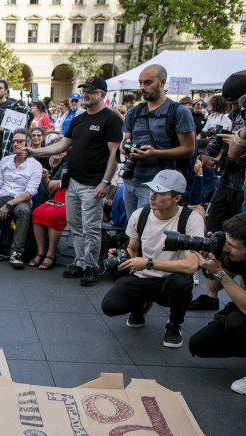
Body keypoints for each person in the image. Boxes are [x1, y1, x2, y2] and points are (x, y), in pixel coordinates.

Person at [26, 76, 122, 285]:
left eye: (91, 91)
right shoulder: (79, 119)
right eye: (84, 90)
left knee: (91, 228)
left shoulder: (110, 119)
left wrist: (105, 183)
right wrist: (36, 151)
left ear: (102, 95)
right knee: (76, 226)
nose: (86, 94)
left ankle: (91, 267)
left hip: (93, 183)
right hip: (73, 182)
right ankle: (80, 263)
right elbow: (62, 145)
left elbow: (114, 154)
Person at [101, 170, 203, 348]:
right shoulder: (140, 214)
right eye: (151, 190)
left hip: (169, 280)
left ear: (176, 198)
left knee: (182, 283)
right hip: (143, 276)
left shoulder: (190, 219)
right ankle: (139, 307)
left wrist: (148, 263)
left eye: (160, 193)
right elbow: (132, 248)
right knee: (110, 306)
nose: (152, 196)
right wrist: (122, 255)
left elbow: (191, 266)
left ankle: (174, 324)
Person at [188, 71, 246, 310]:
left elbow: (237, 149)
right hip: (228, 181)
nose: (234, 108)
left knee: (241, 242)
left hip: (242, 187)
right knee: (216, 238)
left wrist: (235, 141)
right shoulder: (234, 114)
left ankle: (240, 300)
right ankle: (211, 296)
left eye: (236, 103)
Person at [121, 64, 196, 218]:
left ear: (162, 82)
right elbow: (127, 138)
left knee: (151, 233)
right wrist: (125, 147)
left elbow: (188, 149)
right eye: (140, 82)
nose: (142, 87)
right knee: (133, 230)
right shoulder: (134, 112)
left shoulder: (178, 111)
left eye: (148, 82)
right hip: (130, 180)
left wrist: (155, 153)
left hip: (159, 185)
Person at [187, 213, 246, 394]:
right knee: (200, 345)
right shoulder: (238, 255)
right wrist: (214, 262)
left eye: (232, 246)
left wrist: (220, 272)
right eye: (226, 241)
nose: (226, 248)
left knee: (237, 324)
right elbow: (214, 286)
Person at [0, 129, 41, 268]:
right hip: (2, 196)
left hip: (20, 199)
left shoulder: (35, 165)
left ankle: (16, 252)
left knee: (24, 211)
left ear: (28, 143)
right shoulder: (5, 161)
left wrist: (9, 205)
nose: (16, 144)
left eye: (20, 141)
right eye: (14, 141)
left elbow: (30, 193)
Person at [30, 141, 68, 269]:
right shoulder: (60, 164)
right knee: (37, 212)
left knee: (54, 215)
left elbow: (56, 184)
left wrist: (55, 182)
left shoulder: (67, 164)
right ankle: (40, 251)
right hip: (57, 195)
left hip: (70, 197)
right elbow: (51, 186)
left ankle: (51, 253)